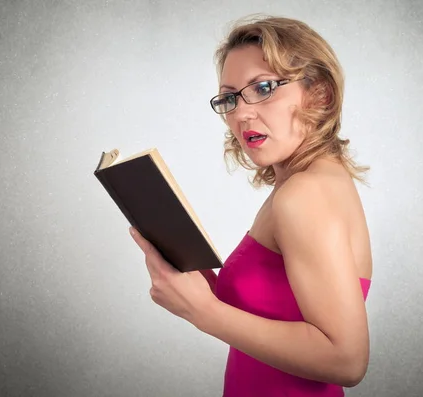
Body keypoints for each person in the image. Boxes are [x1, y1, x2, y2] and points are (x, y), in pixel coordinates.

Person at [129, 14, 373, 397]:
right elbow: (276, 313)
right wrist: (194, 280)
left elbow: (346, 360)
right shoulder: (307, 184)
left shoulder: (303, 195)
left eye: (263, 88)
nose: (241, 113)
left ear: (320, 94)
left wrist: (203, 313)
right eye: (229, 97)